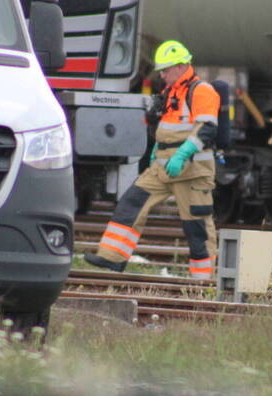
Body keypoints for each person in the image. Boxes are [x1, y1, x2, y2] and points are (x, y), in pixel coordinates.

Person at [84, 40, 220, 279]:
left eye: (166, 70)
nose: (162, 74)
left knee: (196, 227)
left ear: (180, 66)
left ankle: (203, 282)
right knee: (130, 204)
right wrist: (157, 147)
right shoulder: (171, 92)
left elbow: (207, 129)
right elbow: (167, 129)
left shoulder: (202, 91)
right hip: (162, 168)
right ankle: (112, 257)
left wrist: (180, 155)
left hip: (192, 170)